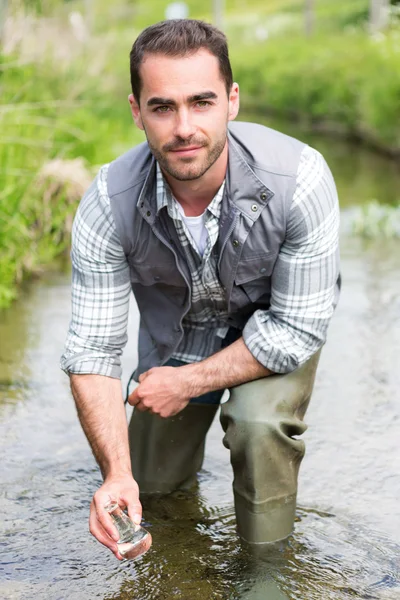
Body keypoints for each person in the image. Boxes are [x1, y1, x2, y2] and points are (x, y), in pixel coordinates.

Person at [61, 19, 340, 560]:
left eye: (202, 102)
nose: (184, 126)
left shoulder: (301, 177)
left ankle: (266, 574)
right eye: (163, 107)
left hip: (271, 334)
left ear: (232, 101)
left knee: (258, 425)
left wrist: (186, 383)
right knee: (149, 491)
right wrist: (115, 473)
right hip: (177, 340)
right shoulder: (105, 202)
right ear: (136, 111)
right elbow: (93, 350)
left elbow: (297, 328)